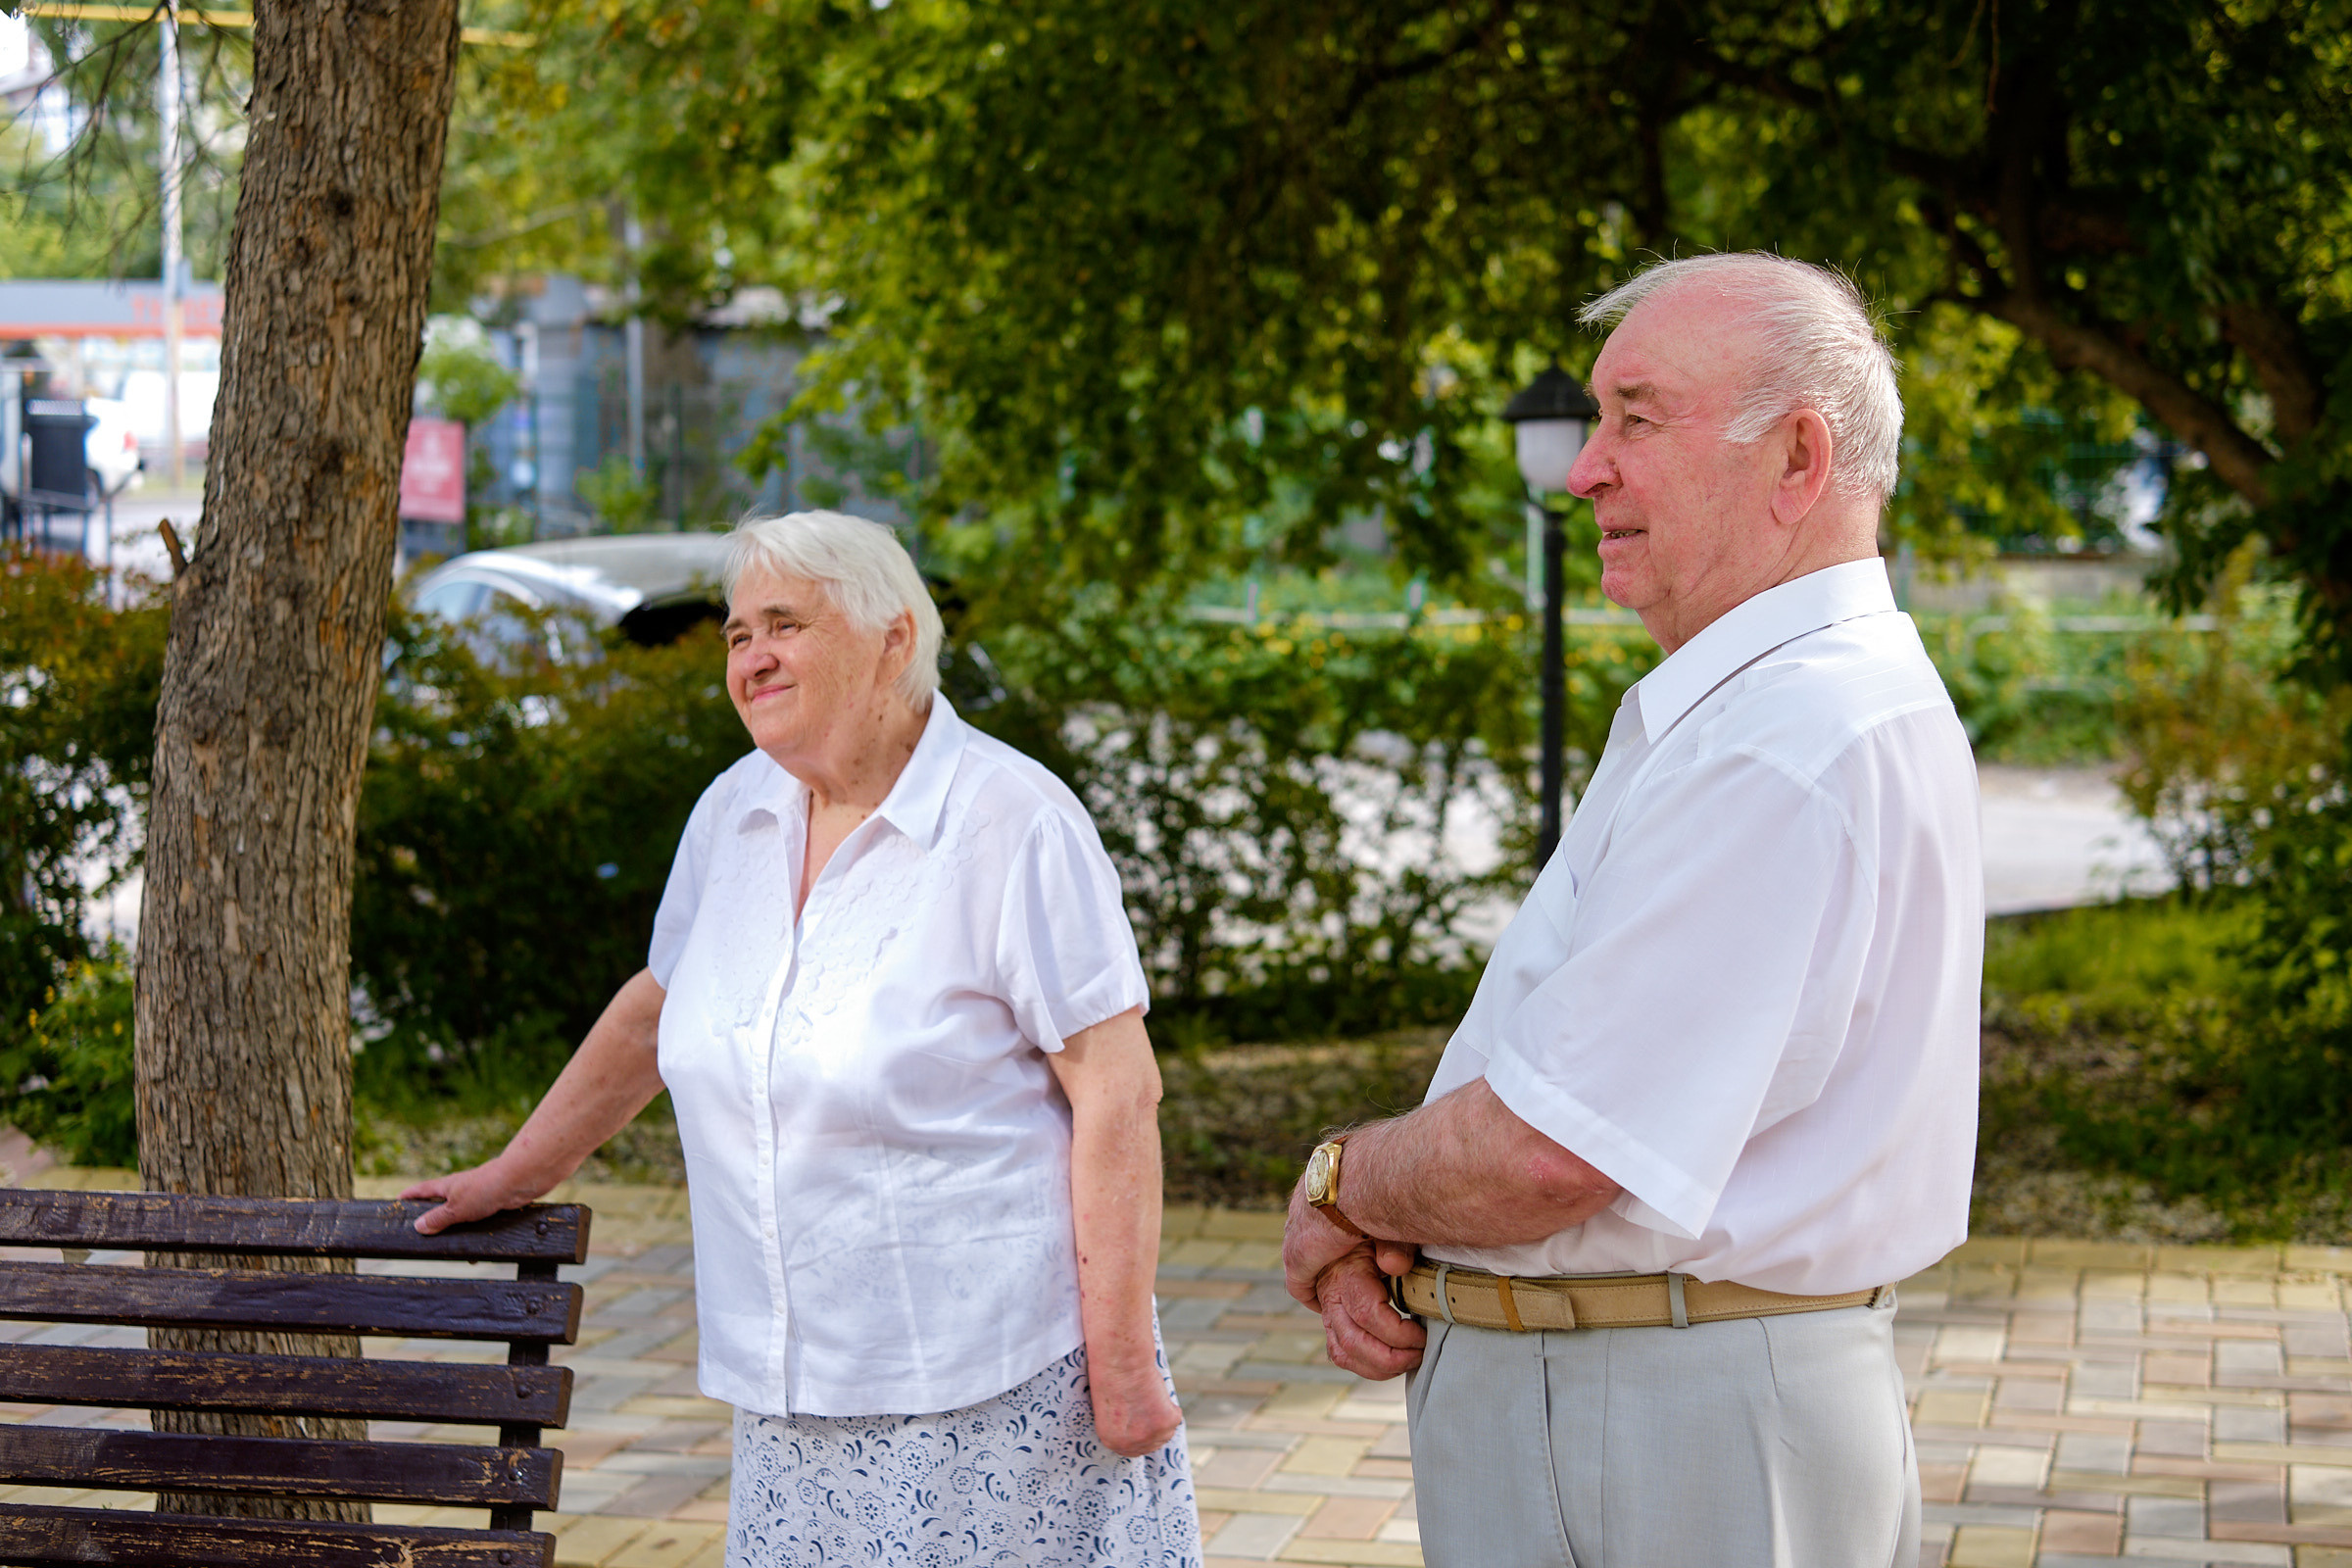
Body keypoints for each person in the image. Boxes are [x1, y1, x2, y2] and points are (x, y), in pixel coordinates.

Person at [1282, 253, 1982, 1567]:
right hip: (1659, 1396)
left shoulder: (1780, 736)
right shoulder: (1795, 705)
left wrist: (1342, 1182)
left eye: (1636, 419)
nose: (1583, 470)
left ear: (1797, 458)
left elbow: (1554, 1150)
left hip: (1653, 1421)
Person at [404, 510, 1202, 1568]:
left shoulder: (1013, 821)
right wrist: (515, 1172)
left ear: (893, 639)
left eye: (786, 624)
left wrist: (1124, 1362)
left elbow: (1117, 1090)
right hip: (791, 1390)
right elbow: (657, 1009)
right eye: (739, 634)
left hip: (992, 1384)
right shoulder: (733, 813)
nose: (754, 656)